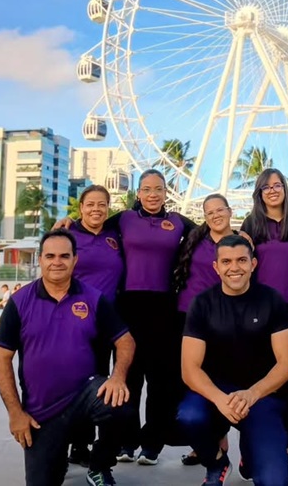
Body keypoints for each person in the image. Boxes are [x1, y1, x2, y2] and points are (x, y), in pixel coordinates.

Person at [55, 168, 196, 465]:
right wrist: (67, 222)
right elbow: (90, 223)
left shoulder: (178, 222)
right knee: (128, 375)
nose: (153, 194)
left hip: (164, 305)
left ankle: (152, 443)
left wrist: (240, 233)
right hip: (128, 305)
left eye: (158, 189)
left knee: (160, 379)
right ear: (138, 193)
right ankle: (125, 442)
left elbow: (209, 234)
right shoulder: (123, 220)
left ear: (166, 192)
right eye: (146, 189)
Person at [0, 229, 136, 486]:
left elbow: (125, 340)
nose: (57, 261)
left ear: (75, 260)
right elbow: (2, 359)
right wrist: (16, 413)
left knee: (121, 406)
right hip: (41, 412)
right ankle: (56, 460)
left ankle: (99, 465)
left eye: (64, 256)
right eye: (50, 256)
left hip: (84, 396)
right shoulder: (19, 302)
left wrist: (118, 377)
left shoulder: (93, 298)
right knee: (43, 481)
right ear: (40, 259)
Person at [177, 235, 288, 486]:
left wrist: (252, 394)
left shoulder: (272, 300)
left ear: (253, 264)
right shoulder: (202, 304)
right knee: (189, 417)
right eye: (227, 261)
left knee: (274, 482)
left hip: (261, 394)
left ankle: (250, 456)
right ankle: (216, 462)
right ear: (216, 267)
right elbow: (189, 369)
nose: (234, 268)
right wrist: (220, 399)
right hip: (215, 392)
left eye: (242, 260)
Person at [240, 168, 288, 464]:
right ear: (259, 193)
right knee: (262, 374)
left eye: (277, 185)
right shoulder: (251, 224)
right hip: (261, 309)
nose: (272, 190)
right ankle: (263, 437)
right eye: (266, 186)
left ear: (285, 189)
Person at [173, 193, 236, 467]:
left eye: (219, 210)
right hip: (186, 314)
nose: (215, 215)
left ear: (230, 211)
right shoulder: (196, 237)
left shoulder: (241, 241)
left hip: (221, 317)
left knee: (218, 376)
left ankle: (219, 441)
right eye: (209, 212)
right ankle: (202, 444)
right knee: (190, 379)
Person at [67, 185, 126, 467]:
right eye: (90, 204)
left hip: (107, 323)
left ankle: (100, 446)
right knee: (75, 382)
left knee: (102, 382)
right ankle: (75, 444)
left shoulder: (114, 236)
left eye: (102, 204)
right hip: (74, 322)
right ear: (81, 208)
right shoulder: (68, 235)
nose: (96, 209)